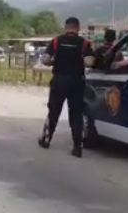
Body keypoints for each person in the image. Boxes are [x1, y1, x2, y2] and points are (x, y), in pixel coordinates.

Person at [38, 17, 95, 157]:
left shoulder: (56, 41)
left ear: (66, 27)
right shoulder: (84, 43)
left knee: (53, 111)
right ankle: (77, 147)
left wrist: (53, 61)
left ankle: (46, 140)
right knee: (76, 114)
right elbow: (89, 62)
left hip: (59, 81)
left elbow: (46, 59)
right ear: (78, 28)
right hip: (76, 82)